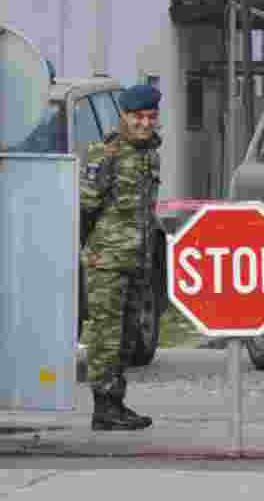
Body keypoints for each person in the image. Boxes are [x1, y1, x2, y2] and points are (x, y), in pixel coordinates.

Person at [79, 84, 162, 430]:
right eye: (137, 117)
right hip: (108, 261)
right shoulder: (106, 154)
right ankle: (103, 406)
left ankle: (116, 401)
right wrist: (89, 252)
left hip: (137, 258)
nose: (144, 124)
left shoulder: (150, 155)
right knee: (106, 335)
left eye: (150, 117)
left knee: (128, 336)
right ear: (124, 117)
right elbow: (85, 208)